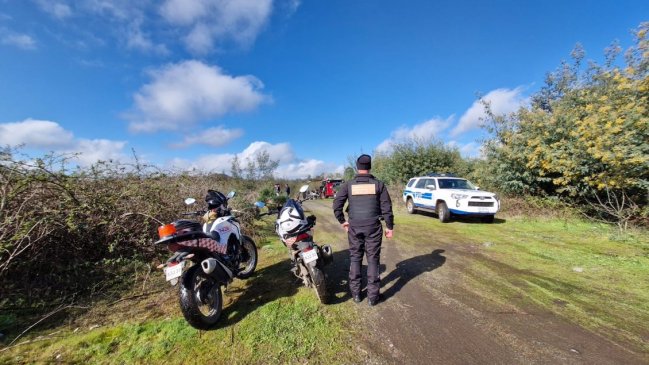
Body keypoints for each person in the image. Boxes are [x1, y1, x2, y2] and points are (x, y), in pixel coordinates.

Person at [332, 154, 393, 306]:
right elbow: (387, 208)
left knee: (355, 258)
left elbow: (336, 205)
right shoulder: (379, 184)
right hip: (373, 226)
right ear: (370, 166)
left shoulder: (349, 185)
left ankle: (356, 295)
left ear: (357, 167)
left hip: (354, 226)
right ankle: (373, 298)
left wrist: (343, 222)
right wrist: (389, 227)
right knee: (373, 260)